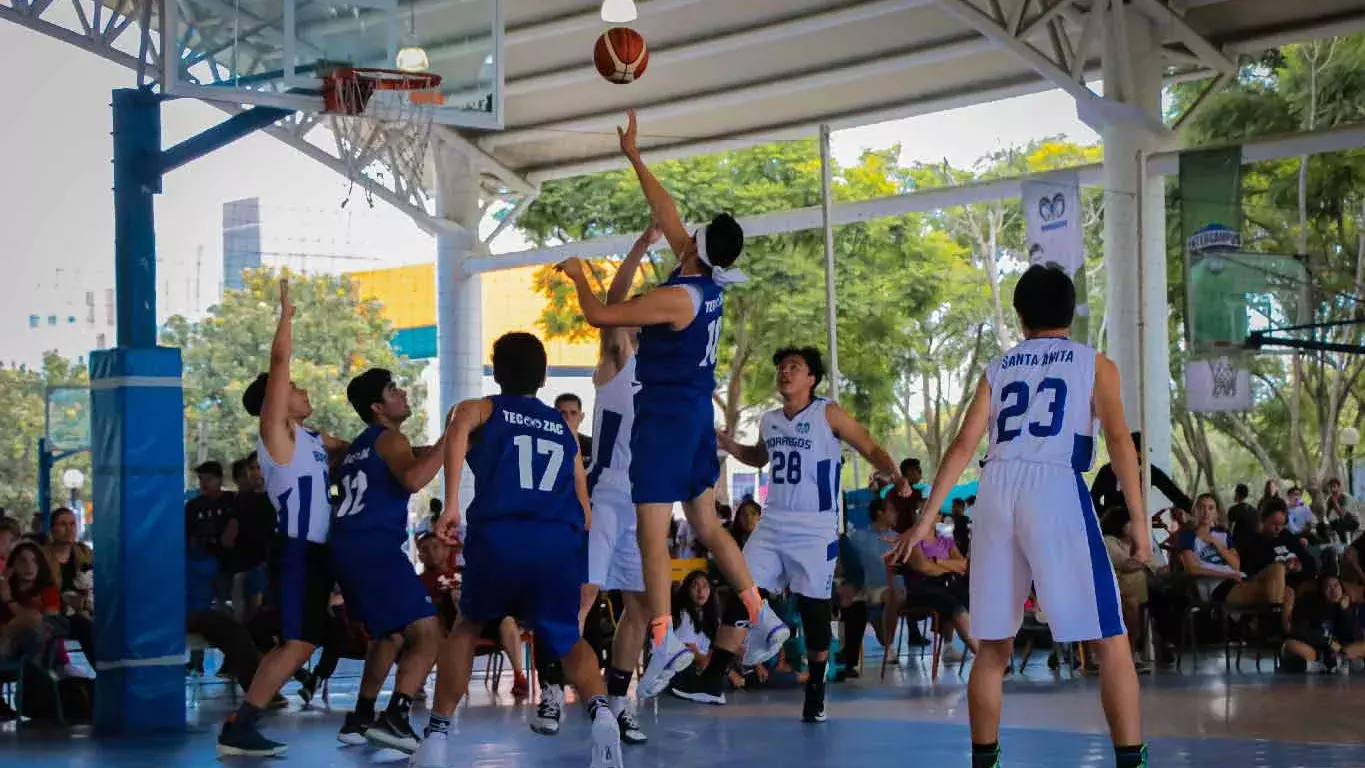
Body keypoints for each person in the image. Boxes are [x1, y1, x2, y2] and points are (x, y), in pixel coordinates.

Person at [557, 109, 788, 698]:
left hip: (663, 421)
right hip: (693, 420)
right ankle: (760, 611)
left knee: (651, 535)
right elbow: (667, 213)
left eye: (689, 233)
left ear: (694, 248)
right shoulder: (707, 282)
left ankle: (661, 642)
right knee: (708, 526)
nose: (682, 231)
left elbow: (601, 315)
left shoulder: (676, 298)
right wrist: (635, 157)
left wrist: (579, 275)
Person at [889, 264, 1150, 768]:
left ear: (1020, 314)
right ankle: (1130, 760)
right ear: (1071, 311)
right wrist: (1139, 521)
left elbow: (964, 445)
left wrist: (925, 520)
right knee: (1110, 636)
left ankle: (984, 761)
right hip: (1054, 485)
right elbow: (1119, 442)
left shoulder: (999, 367)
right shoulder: (1094, 362)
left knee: (993, 645)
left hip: (997, 488)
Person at [412, 332, 622, 768]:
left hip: (501, 537)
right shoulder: (563, 429)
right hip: (556, 542)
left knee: (467, 628)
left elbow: (457, 427)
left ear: (496, 369)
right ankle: (601, 714)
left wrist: (451, 502)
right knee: (568, 636)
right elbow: (583, 510)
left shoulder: (484, 409)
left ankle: (436, 737)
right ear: (544, 377)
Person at [717, 345, 910, 722]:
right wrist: (728, 444)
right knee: (743, 584)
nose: (785, 373)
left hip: (815, 525)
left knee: (813, 608)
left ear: (811, 379)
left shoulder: (827, 412)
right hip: (773, 521)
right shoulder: (770, 420)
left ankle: (817, 686)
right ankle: (736, 657)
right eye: (782, 368)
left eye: (794, 367)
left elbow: (868, 443)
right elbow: (759, 457)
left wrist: (895, 474)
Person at [536, 222, 660, 744]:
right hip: (605, 497)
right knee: (581, 597)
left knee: (640, 607)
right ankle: (549, 692)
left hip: (645, 505)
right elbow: (612, 300)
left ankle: (616, 704)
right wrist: (640, 246)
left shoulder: (666, 381)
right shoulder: (617, 362)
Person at [217, 279, 349, 758]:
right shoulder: (276, 435)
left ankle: (243, 723)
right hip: (295, 549)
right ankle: (239, 727)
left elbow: (358, 451)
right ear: (275, 400)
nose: (300, 388)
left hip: (317, 551)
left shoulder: (311, 438)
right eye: (292, 387)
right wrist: (286, 316)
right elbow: (278, 365)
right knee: (297, 643)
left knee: (302, 643)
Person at [329, 368, 447, 752]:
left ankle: (362, 716)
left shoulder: (357, 448)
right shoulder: (391, 439)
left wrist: (451, 444)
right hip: (374, 548)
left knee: (390, 634)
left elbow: (410, 457)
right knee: (429, 633)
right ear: (378, 407)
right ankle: (396, 718)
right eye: (394, 390)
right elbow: (412, 479)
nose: (403, 393)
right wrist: (452, 437)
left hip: (346, 549)